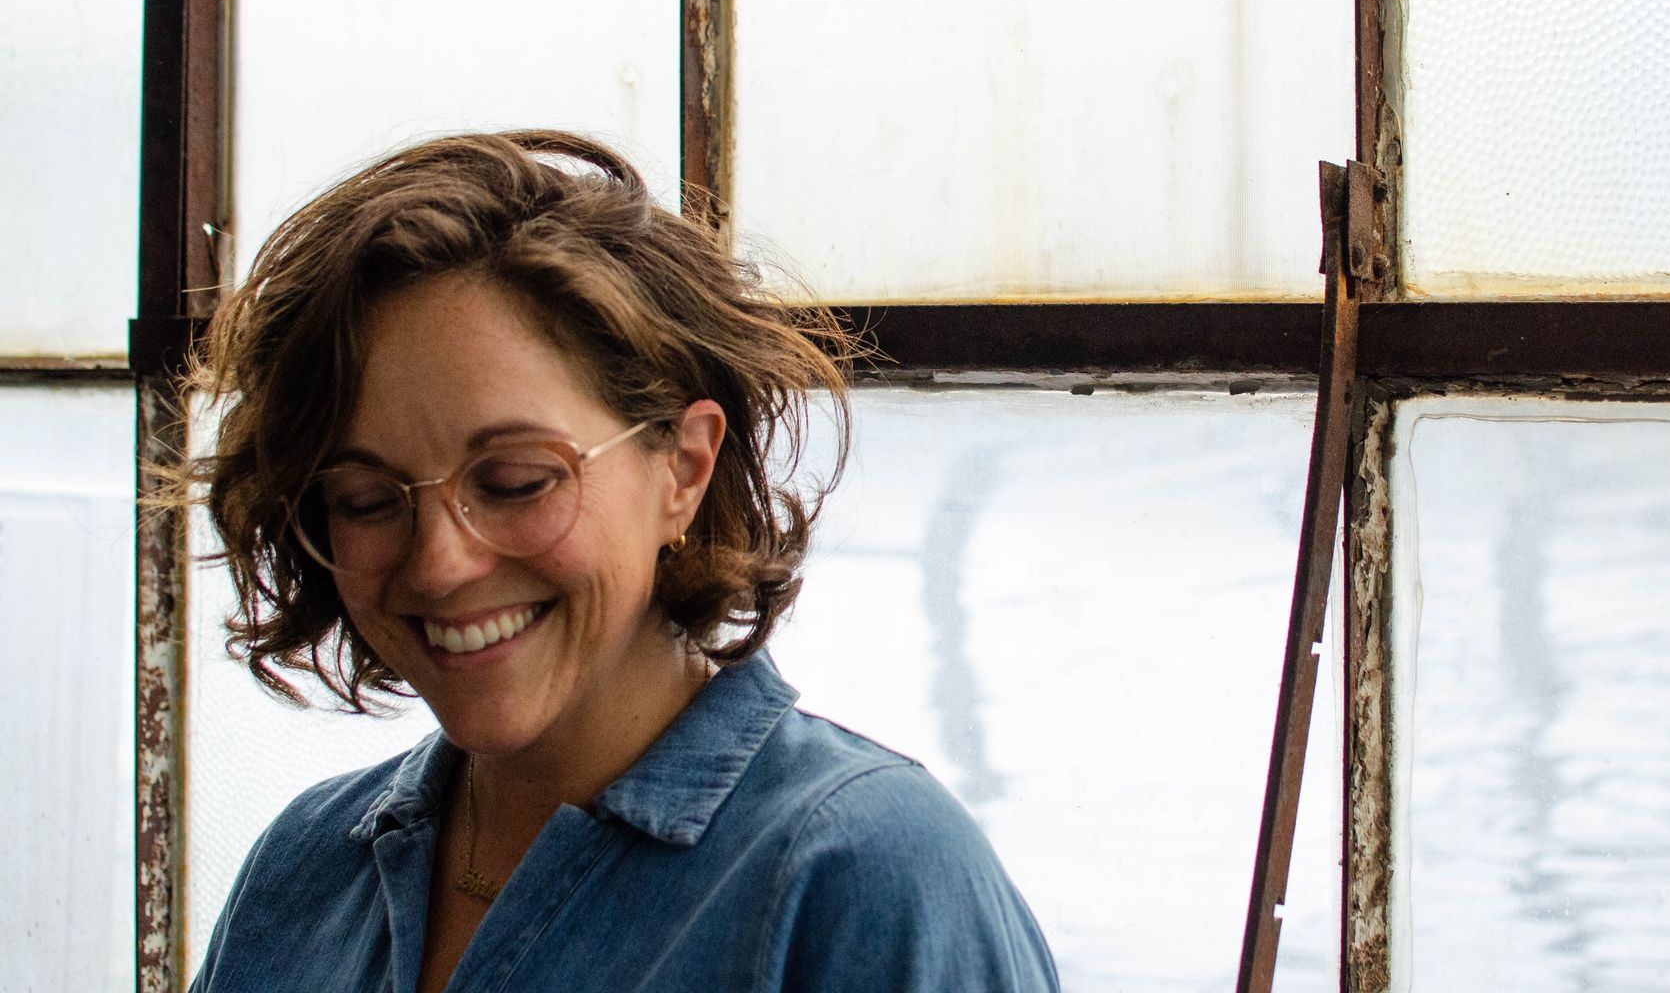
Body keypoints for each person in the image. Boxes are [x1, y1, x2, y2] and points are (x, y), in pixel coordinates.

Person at [175, 131, 1058, 991]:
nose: (439, 566)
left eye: (516, 481)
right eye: (366, 500)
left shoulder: (859, 875)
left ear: (684, 467)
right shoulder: (305, 868)